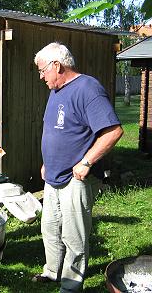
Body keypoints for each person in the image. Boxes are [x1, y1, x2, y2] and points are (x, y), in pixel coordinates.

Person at [32, 42, 123, 292]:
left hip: (77, 177)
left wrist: (86, 162)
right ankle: (52, 272)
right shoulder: (56, 91)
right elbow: (59, 131)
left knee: (74, 236)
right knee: (49, 228)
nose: (41, 76)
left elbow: (113, 131)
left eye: (42, 70)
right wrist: (46, 162)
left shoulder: (88, 89)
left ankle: (71, 285)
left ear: (57, 65)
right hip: (52, 175)